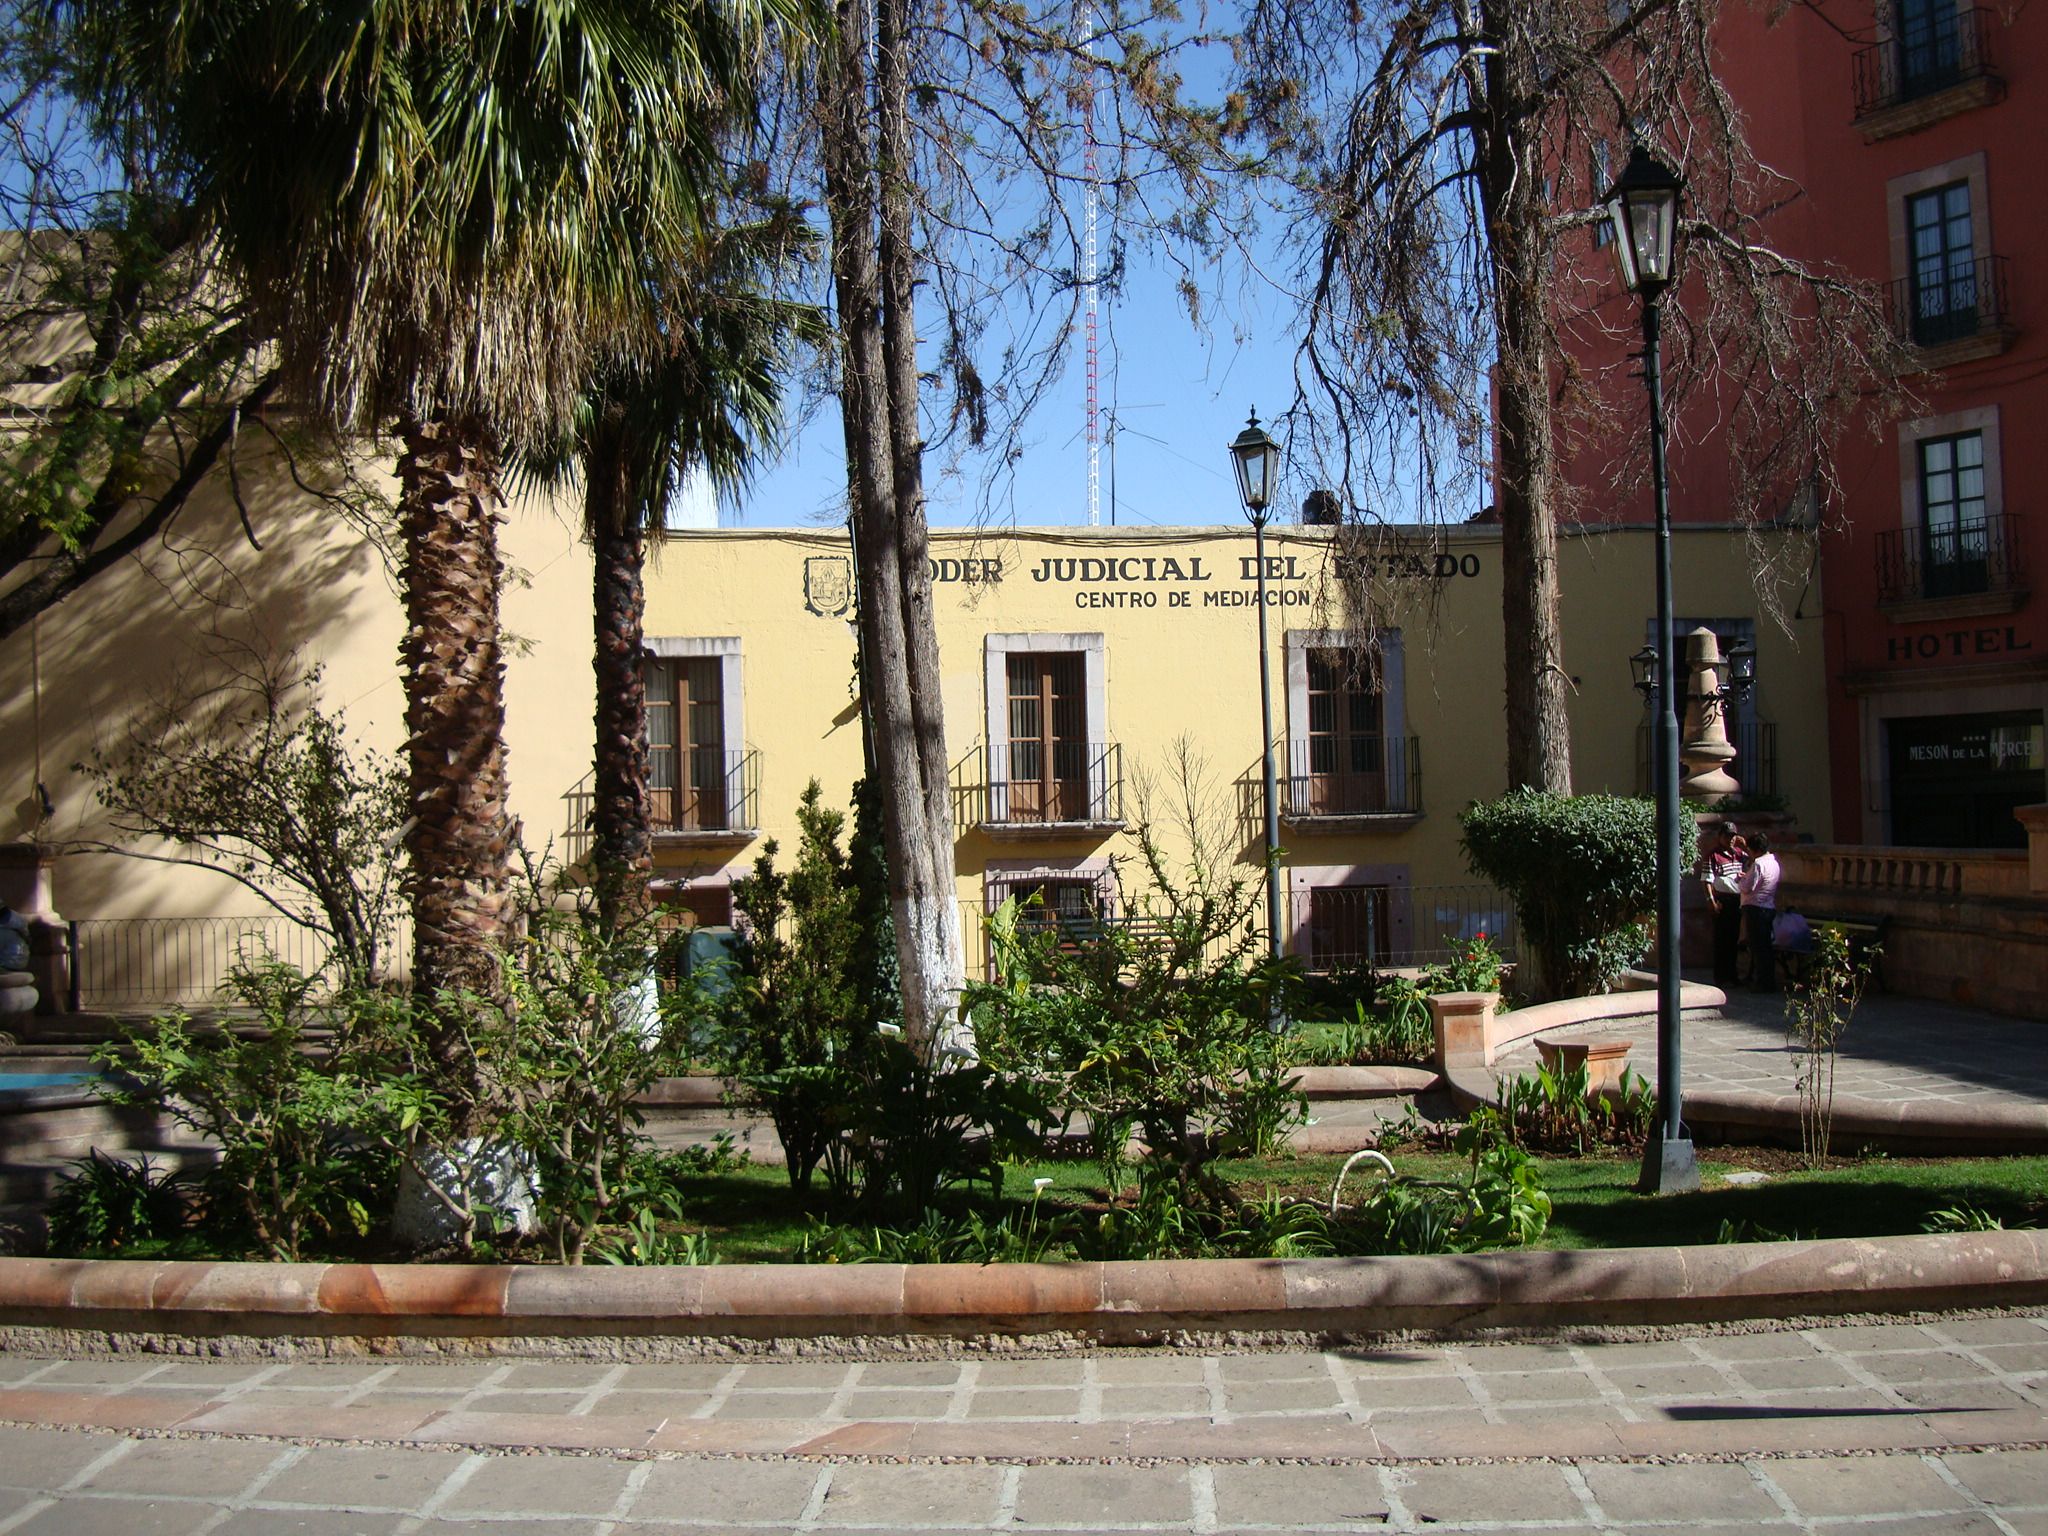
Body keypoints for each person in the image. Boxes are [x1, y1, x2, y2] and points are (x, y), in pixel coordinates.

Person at [1736, 829, 1781, 993]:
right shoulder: (1774, 863)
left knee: (1758, 947)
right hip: (1768, 907)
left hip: (1755, 908)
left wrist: (1741, 879)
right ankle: (1766, 980)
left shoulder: (1759, 864)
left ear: (1755, 850)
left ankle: (1763, 982)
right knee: (1765, 947)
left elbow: (1748, 887)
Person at [1700, 823, 1744, 988]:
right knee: (1721, 940)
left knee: (1734, 940)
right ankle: (1721, 977)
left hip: (1737, 900)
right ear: (1720, 836)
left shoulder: (1739, 854)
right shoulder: (1713, 856)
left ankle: (1733, 975)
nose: (1731, 839)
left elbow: (1754, 861)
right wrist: (1710, 901)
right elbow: (1706, 880)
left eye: (1733, 836)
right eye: (1727, 836)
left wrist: (1744, 845)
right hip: (1722, 901)